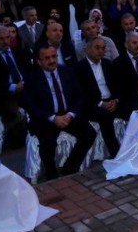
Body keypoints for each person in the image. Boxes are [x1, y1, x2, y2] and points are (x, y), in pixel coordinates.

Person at [23, 44, 97, 180]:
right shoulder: (32, 78)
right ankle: (52, 177)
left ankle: (70, 168)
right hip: (47, 118)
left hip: (68, 115)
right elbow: (30, 105)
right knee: (47, 144)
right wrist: (53, 118)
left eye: (53, 56)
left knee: (89, 134)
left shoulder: (67, 72)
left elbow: (79, 96)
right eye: (46, 58)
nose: (51, 61)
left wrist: (70, 115)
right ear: (39, 62)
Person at [74, 37, 122, 157]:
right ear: (87, 49)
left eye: (103, 48)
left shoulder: (107, 64)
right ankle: (116, 154)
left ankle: (136, 148)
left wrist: (115, 100)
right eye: (97, 48)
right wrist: (101, 104)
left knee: (133, 108)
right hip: (92, 104)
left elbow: (117, 85)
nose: (101, 51)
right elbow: (80, 94)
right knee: (105, 117)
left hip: (111, 100)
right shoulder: (79, 68)